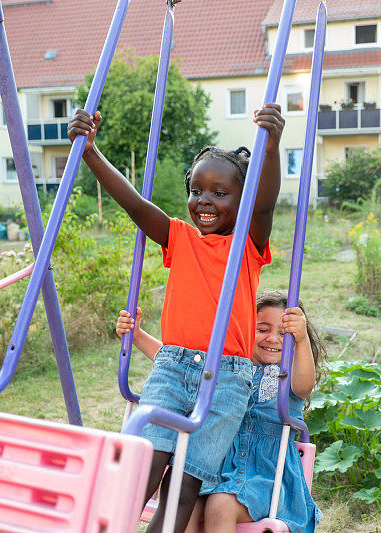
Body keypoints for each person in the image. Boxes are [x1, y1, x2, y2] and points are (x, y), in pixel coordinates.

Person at [68, 102, 284, 533]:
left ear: (241, 199)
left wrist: (272, 147)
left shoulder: (247, 244)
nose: (204, 200)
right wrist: (90, 152)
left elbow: (263, 207)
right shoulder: (179, 237)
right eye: (197, 190)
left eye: (220, 193)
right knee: (143, 469)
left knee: (183, 488)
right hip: (173, 367)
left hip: (227, 380)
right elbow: (133, 204)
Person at [117, 291, 324, 533]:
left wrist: (301, 340)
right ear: (245, 330)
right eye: (263, 329)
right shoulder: (232, 369)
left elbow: (305, 385)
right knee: (185, 504)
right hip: (217, 469)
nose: (273, 339)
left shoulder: (289, 375)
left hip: (266, 477)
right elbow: (188, 367)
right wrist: (137, 335)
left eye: (283, 333)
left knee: (220, 506)